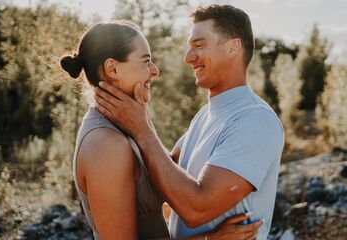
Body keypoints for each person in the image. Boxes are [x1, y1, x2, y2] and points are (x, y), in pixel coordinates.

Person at [94, 4, 284, 240]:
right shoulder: (205, 115)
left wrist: (142, 129)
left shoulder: (255, 120)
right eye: (189, 47)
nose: (188, 57)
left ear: (233, 47)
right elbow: (164, 177)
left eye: (199, 45)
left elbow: (196, 208)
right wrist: (140, 117)